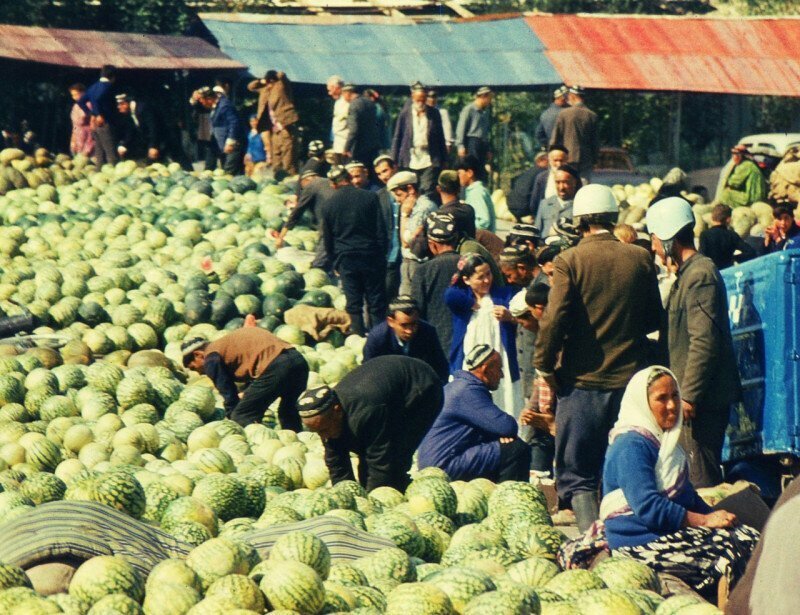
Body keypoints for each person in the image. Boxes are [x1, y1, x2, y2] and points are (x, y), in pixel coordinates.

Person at [534, 184, 663, 532]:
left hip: (582, 384)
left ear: (579, 221)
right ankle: (624, 537)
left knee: (577, 474)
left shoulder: (570, 260)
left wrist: (544, 365)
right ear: (612, 216)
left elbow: (554, 319)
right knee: (622, 465)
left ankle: (592, 539)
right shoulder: (639, 257)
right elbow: (654, 319)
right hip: (630, 385)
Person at [600, 366, 758, 594]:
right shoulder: (631, 445)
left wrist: (718, 518)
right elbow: (649, 507)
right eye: (661, 399)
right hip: (638, 542)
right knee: (730, 551)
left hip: (664, 532)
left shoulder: (664, 442)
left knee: (749, 537)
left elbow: (687, 497)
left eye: (675, 395)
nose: (672, 405)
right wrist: (704, 521)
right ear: (643, 404)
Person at [647, 197, 742, 489]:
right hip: (694, 397)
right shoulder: (686, 275)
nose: (653, 248)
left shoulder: (701, 275)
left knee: (702, 480)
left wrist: (688, 395)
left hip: (702, 400)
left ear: (667, 238)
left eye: (654, 240)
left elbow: (704, 341)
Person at [298, 356, 444, 491]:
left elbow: (379, 461)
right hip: (385, 392)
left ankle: (402, 488)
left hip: (422, 390)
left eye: (323, 430)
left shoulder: (366, 412)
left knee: (396, 457)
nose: (323, 436)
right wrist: (345, 495)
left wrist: (373, 500)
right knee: (353, 448)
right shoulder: (328, 416)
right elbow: (336, 461)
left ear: (337, 410)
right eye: (317, 432)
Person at [418, 345, 531, 481]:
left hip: (436, 463)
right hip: (443, 465)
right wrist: (500, 436)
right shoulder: (467, 391)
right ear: (485, 369)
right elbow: (508, 426)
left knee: (502, 447)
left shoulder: (457, 386)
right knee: (516, 449)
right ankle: (511, 499)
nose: (501, 375)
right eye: (499, 368)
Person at [181, 330, 309, 430]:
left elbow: (228, 393)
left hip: (278, 366)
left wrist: (232, 419)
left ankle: (256, 452)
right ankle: (296, 439)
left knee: (242, 415)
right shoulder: (226, 344)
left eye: (194, 367)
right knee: (288, 410)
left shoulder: (211, 358)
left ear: (198, 354)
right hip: (298, 360)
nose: (198, 372)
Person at [445, 253, 519, 415]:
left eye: (489, 274)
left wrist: (510, 317)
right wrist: (472, 303)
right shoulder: (463, 300)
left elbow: (522, 320)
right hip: (470, 356)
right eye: (480, 277)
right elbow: (449, 294)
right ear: (467, 280)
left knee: (504, 395)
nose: (487, 280)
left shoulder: (503, 295)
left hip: (500, 355)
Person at [320, 165, 387, 335]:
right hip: (371, 256)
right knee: (376, 301)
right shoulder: (370, 197)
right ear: (349, 178)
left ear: (333, 184)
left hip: (346, 259)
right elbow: (381, 230)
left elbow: (327, 239)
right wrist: (382, 254)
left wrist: (333, 261)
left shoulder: (328, 205)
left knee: (354, 304)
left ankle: (357, 337)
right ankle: (379, 336)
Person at [363, 295, 449, 384]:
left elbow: (441, 367)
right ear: (391, 322)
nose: (409, 331)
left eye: (414, 324)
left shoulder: (428, 333)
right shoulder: (377, 339)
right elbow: (367, 373)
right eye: (404, 325)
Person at [411, 213, 462, 354]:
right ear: (456, 239)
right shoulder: (471, 265)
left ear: (432, 244)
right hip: (467, 342)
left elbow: (417, 310)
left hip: (435, 345)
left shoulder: (423, 271)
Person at [519, 283, 555, 474]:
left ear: (539, 308)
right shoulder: (544, 332)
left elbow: (549, 377)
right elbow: (541, 380)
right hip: (545, 410)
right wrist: (531, 409)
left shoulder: (554, 332)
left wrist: (549, 419)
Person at [388, 170, 438, 295]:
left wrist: (404, 215)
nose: (398, 200)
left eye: (399, 195)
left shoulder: (422, 208)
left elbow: (407, 242)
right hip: (409, 263)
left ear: (410, 189)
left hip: (417, 264)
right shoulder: (414, 207)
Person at [391, 83, 447, 195]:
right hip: (411, 158)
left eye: (423, 99)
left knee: (426, 189)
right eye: (418, 99)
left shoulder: (434, 113)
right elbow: (398, 137)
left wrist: (444, 159)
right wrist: (394, 159)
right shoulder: (405, 114)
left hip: (429, 158)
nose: (420, 102)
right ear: (413, 97)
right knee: (412, 189)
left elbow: (441, 137)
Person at [249, 70, 299, 176]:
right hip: (274, 128)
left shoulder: (281, 86)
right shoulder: (264, 89)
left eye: (270, 82)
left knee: (288, 157)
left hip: (285, 126)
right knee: (276, 157)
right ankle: (278, 178)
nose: (269, 84)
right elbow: (251, 86)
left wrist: (275, 75)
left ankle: (290, 179)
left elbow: (283, 77)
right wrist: (261, 81)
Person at [550, 86, 599, 183]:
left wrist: (553, 159)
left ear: (572, 96)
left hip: (566, 158)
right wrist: (595, 160)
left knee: (567, 184)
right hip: (586, 159)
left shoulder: (564, 114)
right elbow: (595, 142)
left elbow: (555, 140)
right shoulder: (592, 115)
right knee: (583, 189)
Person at [277, 169, 335, 250]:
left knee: (321, 258)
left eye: (302, 187)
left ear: (305, 181)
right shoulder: (328, 182)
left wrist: (281, 236)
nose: (303, 190)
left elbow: (297, 212)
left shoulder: (311, 185)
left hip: (328, 225)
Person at [374, 155, 402, 301]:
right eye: (379, 174)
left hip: (408, 255)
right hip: (390, 255)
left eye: (385, 171)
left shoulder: (409, 191)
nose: (383, 176)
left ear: (395, 168)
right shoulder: (379, 197)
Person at [78, 64, 118, 166]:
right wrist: (99, 114)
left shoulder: (93, 87)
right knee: (110, 151)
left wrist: (91, 113)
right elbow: (98, 99)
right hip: (105, 122)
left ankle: (98, 170)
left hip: (95, 123)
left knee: (99, 151)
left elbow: (81, 101)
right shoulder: (108, 87)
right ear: (113, 76)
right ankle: (113, 173)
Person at [195, 86, 242, 174]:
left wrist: (230, 142)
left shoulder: (225, 105)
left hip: (232, 144)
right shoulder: (215, 105)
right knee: (223, 169)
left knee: (229, 171)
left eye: (203, 101)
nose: (202, 104)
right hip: (221, 144)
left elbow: (234, 123)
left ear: (209, 99)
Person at [699, 204, 756, 269]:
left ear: (712, 217)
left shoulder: (704, 235)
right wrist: (734, 258)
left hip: (712, 272)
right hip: (727, 271)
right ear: (728, 219)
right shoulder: (731, 235)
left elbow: (701, 257)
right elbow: (750, 252)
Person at [535, 164, 581, 237]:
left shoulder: (580, 205)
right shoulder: (545, 204)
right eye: (558, 182)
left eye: (565, 182)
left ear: (574, 182)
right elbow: (537, 232)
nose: (561, 187)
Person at [114, 93, 162, 163]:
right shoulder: (130, 112)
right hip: (148, 140)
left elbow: (153, 128)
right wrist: (123, 144)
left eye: (120, 104)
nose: (118, 107)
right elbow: (129, 131)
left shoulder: (143, 109)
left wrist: (153, 146)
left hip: (160, 139)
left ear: (125, 104)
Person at [455, 87, 493, 170]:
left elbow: (486, 132)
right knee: (472, 169)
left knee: (481, 171)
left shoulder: (486, 112)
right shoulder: (469, 109)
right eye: (489, 98)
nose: (490, 101)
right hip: (471, 144)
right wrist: (460, 146)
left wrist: (488, 149)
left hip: (482, 145)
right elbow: (461, 128)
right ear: (483, 97)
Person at [719, 145, 767, 209]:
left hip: (752, 197)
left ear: (741, 155)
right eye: (733, 154)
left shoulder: (745, 165)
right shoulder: (749, 164)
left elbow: (733, 182)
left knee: (725, 194)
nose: (734, 157)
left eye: (736, 154)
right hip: (757, 196)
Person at [343, 85, 381, 166]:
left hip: (359, 148)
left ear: (347, 93)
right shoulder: (370, 102)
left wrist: (347, 148)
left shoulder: (354, 105)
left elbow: (354, 130)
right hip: (373, 144)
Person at [529, 144, 569, 222]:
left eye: (561, 160)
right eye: (555, 160)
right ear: (549, 160)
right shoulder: (542, 178)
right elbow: (535, 203)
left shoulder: (574, 178)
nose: (559, 164)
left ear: (567, 160)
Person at [507, 150, 549, 222]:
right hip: (524, 209)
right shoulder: (542, 173)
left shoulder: (529, 171)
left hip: (511, 206)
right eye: (548, 160)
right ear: (541, 160)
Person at [457, 155, 495, 232]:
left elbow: (483, 222)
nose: (458, 176)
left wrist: (462, 225)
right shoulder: (475, 191)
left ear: (470, 173)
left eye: (459, 173)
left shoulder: (477, 192)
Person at [327, 76, 349, 164]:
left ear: (336, 88)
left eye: (330, 90)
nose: (329, 93)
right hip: (337, 143)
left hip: (345, 144)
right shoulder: (338, 102)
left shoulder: (347, 102)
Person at [68, 83, 93, 157]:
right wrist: (73, 139)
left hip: (88, 135)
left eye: (76, 94)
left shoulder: (89, 104)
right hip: (77, 135)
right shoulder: (75, 106)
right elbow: (74, 125)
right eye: (73, 95)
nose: (74, 97)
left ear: (83, 93)